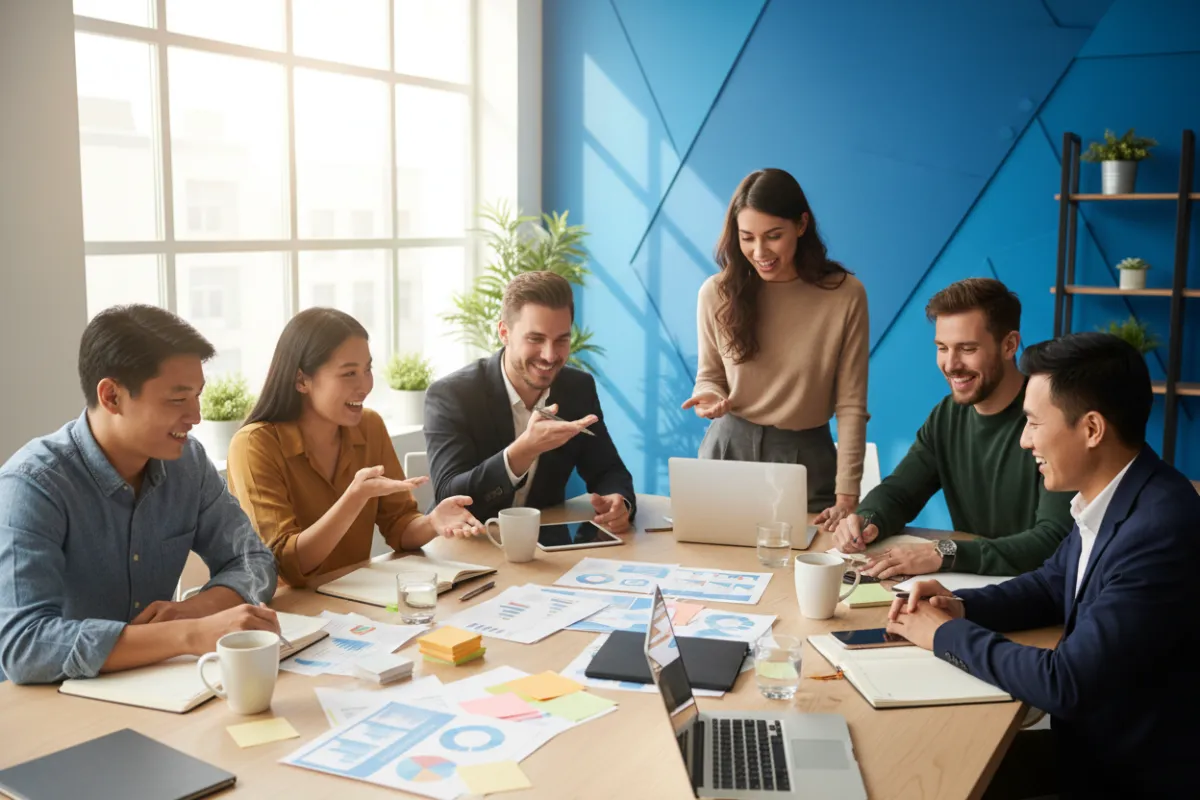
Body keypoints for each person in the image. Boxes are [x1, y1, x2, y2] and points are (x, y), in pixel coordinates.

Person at [886, 332, 1199, 798]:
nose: (1024, 439)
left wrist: (942, 635)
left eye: (1033, 422)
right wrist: (958, 606)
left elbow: (1065, 682)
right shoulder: (1120, 494)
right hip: (1090, 750)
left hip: (1123, 776)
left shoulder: (1160, 528)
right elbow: (1053, 585)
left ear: (1092, 429)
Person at [0, 305, 279, 685]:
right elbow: (25, 645)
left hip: (156, 685)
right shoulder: (33, 485)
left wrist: (191, 612)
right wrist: (188, 635)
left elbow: (254, 561)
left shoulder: (189, 462)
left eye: (198, 395)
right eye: (177, 400)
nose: (196, 415)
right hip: (52, 702)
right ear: (112, 396)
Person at [226, 308, 484, 589]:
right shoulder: (254, 444)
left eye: (368, 369)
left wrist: (433, 522)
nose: (366, 385)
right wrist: (354, 498)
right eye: (349, 373)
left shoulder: (369, 426)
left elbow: (399, 525)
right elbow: (287, 565)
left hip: (355, 601)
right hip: (288, 615)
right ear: (302, 380)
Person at [832, 279, 1073, 578]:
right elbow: (901, 492)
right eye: (942, 348)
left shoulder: (1052, 418)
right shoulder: (947, 415)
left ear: (1009, 345)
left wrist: (943, 553)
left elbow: (1052, 541)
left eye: (967, 348)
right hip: (970, 585)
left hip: (1037, 592)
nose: (950, 364)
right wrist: (866, 521)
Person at [683, 168, 869, 521]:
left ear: (801, 225)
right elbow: (709, 376)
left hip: (806, 460)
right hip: (727, 450)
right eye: (747, 237)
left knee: (797, 568)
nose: (759, 251)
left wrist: (847, 494)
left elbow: (851, 404)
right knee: (711, 569)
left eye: (773, 236)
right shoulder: (716, 293)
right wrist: (709, 395)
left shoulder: (844, 295)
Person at [424, 271, 636, 528]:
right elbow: (448, 497)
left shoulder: (577, 388)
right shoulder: (453, 395)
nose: (549, 355)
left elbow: (608, 470)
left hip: (542, 549)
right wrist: (523, 450)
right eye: (535, 339)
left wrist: (618, 502)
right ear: (504, 332)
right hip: (466, 546)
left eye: (562, 340)